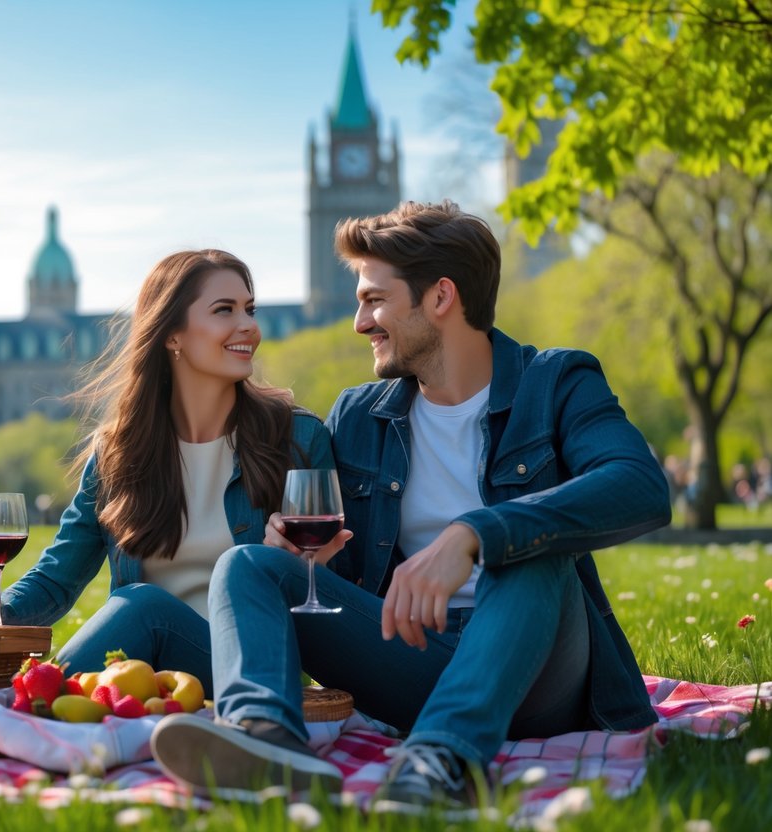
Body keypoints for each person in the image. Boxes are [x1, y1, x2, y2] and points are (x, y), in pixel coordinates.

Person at [150, 200, 672, 807]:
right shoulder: (360, 414)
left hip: (539, 671)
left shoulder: (556, 382)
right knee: (247, 565)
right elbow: (349, 576)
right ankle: (266, 740)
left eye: (375, 299)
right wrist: (306, 563)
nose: (360, 322)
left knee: (529, 550)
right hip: (412, 657)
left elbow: (639, 486)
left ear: (441, 297)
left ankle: (437, 760)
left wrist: (477, 534)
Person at [0, 249, 333, 697]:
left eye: (249, 309)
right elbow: (57, 577)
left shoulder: (297, 437)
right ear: (172, 335)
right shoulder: (119, 453)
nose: (248, 325)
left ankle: (18, 706)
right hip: (140, 683)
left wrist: (295, 565)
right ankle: (12, 707)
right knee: (138, 617)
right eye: (224, 310)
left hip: (250, 672)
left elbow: (339, 594)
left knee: (144, 607)